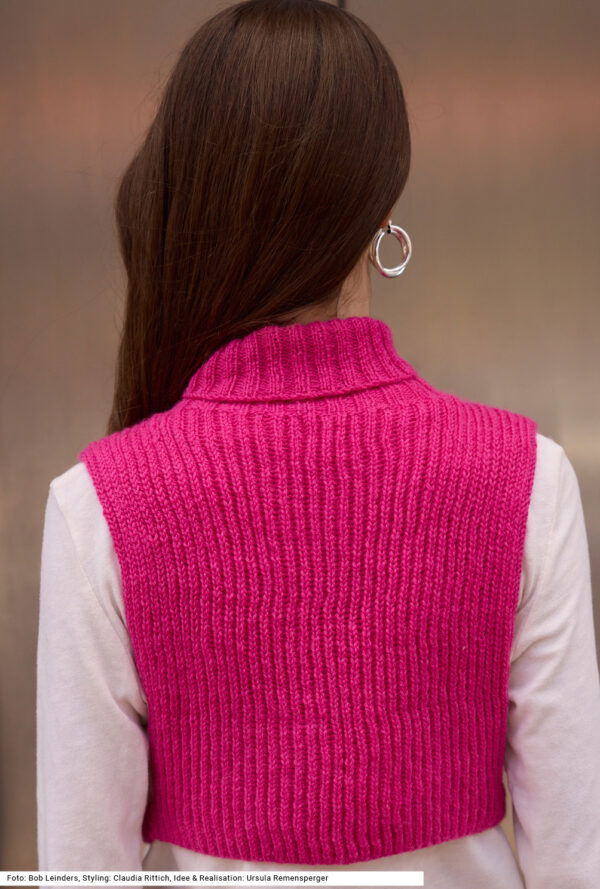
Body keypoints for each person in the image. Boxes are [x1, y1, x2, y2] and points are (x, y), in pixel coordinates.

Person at [36, 1, 600, 885]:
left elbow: (82, 868)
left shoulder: (97, 508)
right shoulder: (528, 479)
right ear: (381, 212)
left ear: (187, 197)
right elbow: (574, 862)